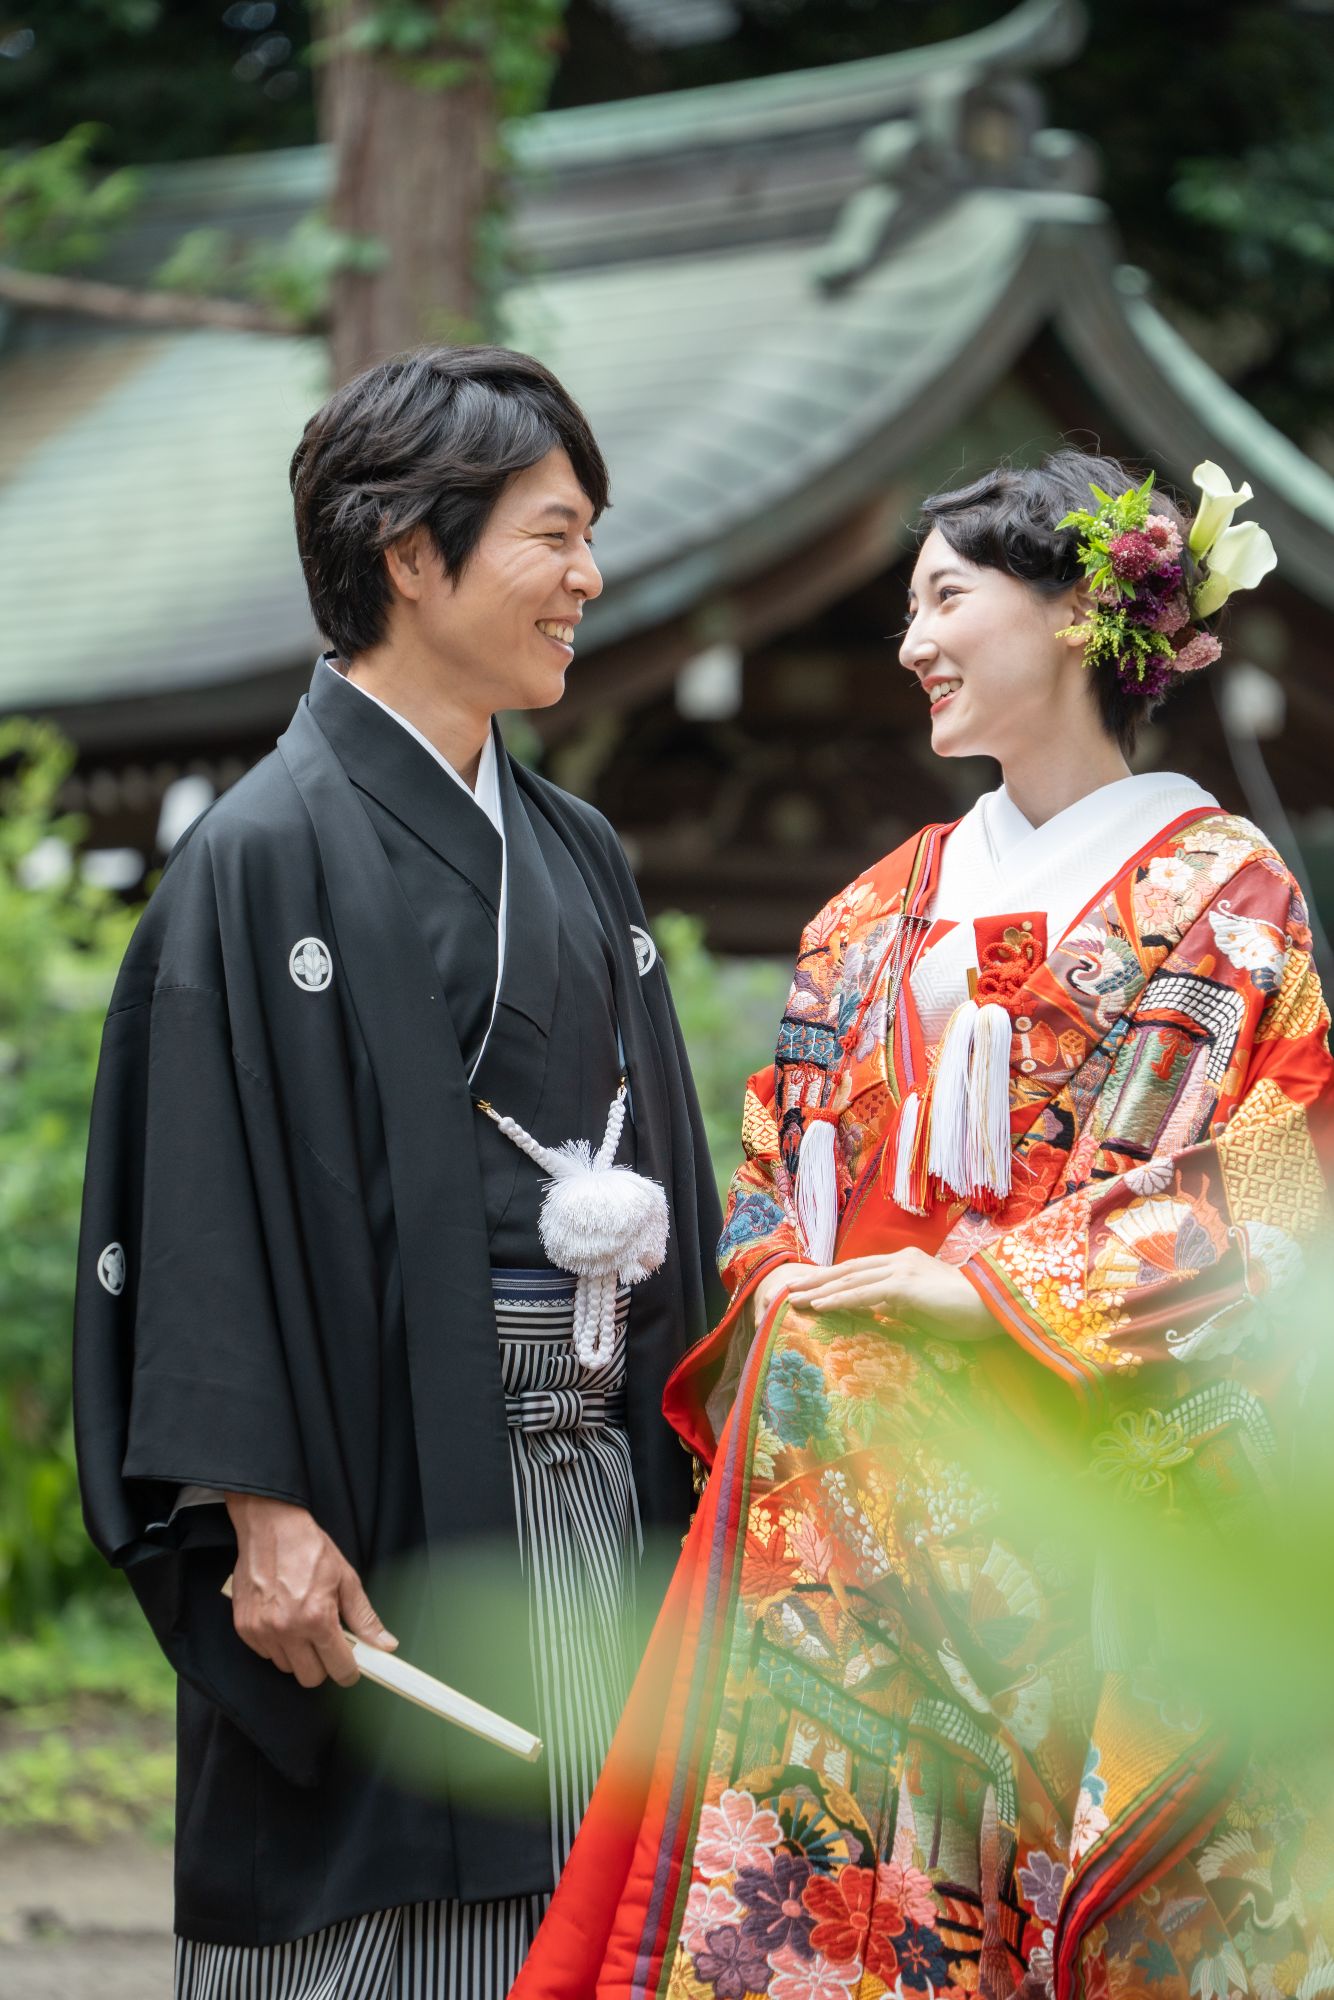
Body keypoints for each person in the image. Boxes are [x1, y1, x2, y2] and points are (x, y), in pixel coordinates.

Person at [511, 450, 1334, 2000]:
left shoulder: (1231, 900)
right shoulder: (871, 907)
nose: (911, 643)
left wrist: (997, 1295)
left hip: (1089, 1476)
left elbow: (1293, 1177)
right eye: (906, 607)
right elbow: (765, 1186)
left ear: (1085, 615)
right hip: (863, 1504)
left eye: (946, 597)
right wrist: (799, 1291)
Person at [73, 345, 723, 1998]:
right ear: (409, 556)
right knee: (391, 1920)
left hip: (588, 1471)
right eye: (551, 534)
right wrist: (254, 1506)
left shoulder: (574, 851)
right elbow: (195, 1195)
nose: (586, 578)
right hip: (368, 1485)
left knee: (591, 1890)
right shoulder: (262, 848)